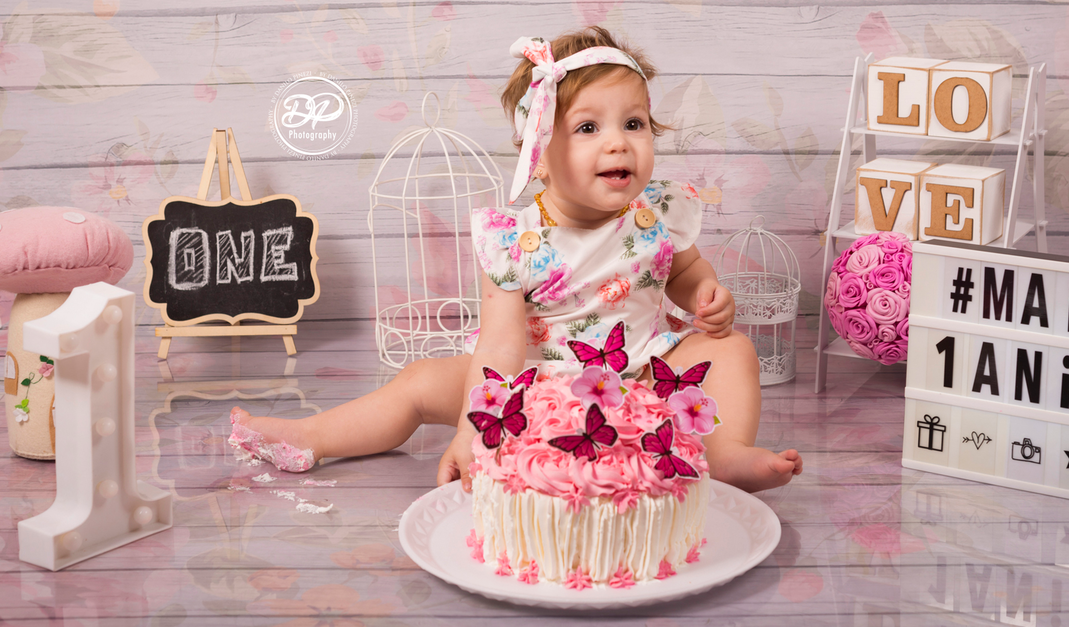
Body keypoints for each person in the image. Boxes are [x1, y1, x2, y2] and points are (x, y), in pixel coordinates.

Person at [231, 26, 803, 493]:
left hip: (641, 376)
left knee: (731, 349)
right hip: (532, 384)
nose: (618, 142)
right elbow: (501, 347)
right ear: (539, 154)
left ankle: (726, 455)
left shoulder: (656, 210)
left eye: (634, 124)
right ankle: (312, 437)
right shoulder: (514, 239)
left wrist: (706, 296)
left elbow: (683, 271)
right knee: (420, 381)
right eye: (588, 127)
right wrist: (470, 430)